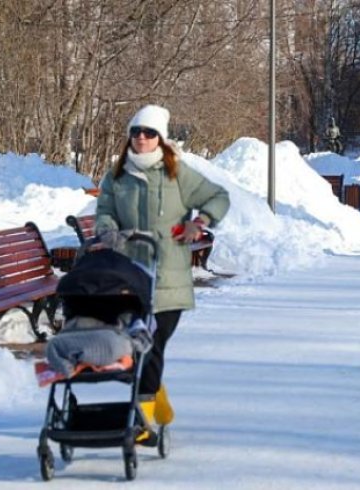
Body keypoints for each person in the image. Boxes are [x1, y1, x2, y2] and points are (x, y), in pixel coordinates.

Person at [95, 104, 230, 426]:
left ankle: (144, 413)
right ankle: (150, 404)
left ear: (161, 138)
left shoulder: (177, 173)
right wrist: (108, 230)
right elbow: (104, 211)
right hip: (128, 273)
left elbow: (218, 196)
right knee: (138, 346)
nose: (142, 138)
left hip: (169, 275)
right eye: (136, 132)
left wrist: (201, 222)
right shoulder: (117, 175)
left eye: (149, 133)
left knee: (153, 343)